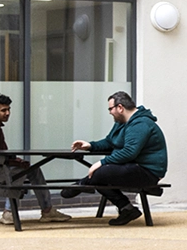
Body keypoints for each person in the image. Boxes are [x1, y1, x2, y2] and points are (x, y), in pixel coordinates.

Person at [61, 91, 168, 226]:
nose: (110, 112)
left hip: (148, 171)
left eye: (110, 108)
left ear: (120, 108)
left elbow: (130, 152)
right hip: (132, 166)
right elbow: (110, 142)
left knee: (101, 173)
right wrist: (90, 146)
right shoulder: (122, 122)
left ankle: (82, 184)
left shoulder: (141, 124)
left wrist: (101, 162)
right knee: (100, 175)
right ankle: (127, 209)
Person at [0, 93, 71, 225]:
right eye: (3, 110)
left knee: (32, 169)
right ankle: (8, 212)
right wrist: (14, 163)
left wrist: (17, 162)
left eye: (9, 109)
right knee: (17, 171)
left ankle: (47, 210)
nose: (8, 113)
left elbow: (3, 154)